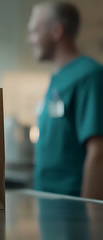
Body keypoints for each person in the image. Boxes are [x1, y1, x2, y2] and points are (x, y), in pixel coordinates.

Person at [28, 2, 103, 199]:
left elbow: (98, 151)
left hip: (73, 206)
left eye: (35, 31)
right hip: (49, 203)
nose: (30, 39)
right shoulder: (57, 79)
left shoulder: (89, 75)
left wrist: (89, 215)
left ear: (57, 31)